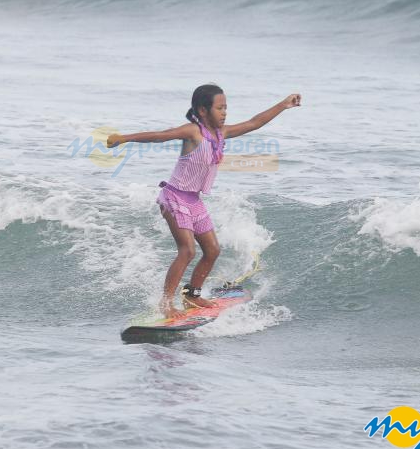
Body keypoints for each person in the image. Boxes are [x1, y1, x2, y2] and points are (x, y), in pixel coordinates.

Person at [107, 84, 301, 318]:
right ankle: (165, 303)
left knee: (212, 250)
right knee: (187, 250)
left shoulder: (222, 133)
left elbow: (254, 122)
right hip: (174, 197)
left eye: (226, 108)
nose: (224, 112)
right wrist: (123, 139)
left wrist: (283, 105)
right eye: (219, 108)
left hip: (194, 201)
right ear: (202, 110)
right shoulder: (193, 132)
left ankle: (192, 295)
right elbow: (160, 136)